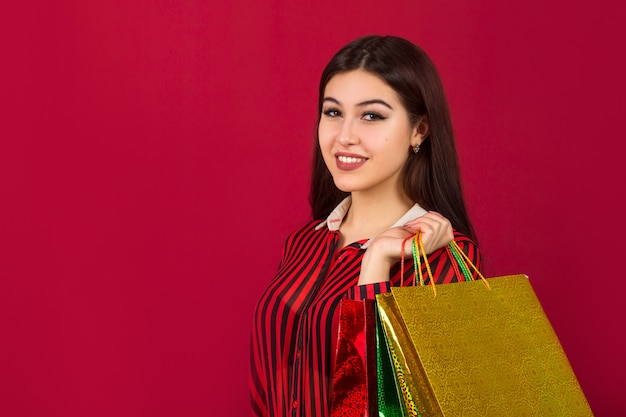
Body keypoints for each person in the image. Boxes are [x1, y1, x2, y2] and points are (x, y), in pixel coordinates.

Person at [249, 34, 482, 417]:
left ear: (419, 130)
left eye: (371, 115)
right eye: (333, 112)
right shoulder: (304, 242)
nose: (345, 136)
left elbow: (383, 406)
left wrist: (376, 262)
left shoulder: (446, 260)